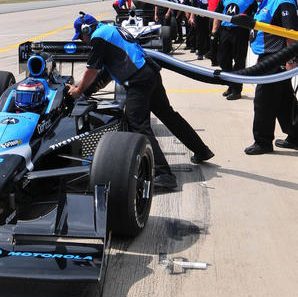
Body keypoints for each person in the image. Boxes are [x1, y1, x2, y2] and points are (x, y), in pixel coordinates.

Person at [66, 14, 214, 191]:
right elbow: (105, 74)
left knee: (137, 124)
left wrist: (78, 90)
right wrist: (87, 92)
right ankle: (201, 150)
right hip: (149, 74)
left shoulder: (98, 37)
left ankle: (163, 174)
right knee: (169, 116)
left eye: (81, 37)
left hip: (138, 81)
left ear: (86, 30)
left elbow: (92, 70)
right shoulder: (110, 31)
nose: (82, 41)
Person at [244, 0, 298, 154]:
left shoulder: (281, 1)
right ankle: (296, 136)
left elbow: (291, 33)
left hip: (276, 58)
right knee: (284, 100)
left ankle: (263, 141)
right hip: (271, 57)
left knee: (263, 100)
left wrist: (291, 59)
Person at [212, 0, 256, 100]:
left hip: (240, 31)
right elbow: (217, 13)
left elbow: (255, 15)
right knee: (223, 60)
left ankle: (237, 90)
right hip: (225, 30)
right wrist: (214, 31)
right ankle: (231, 84)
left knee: (239, 61)